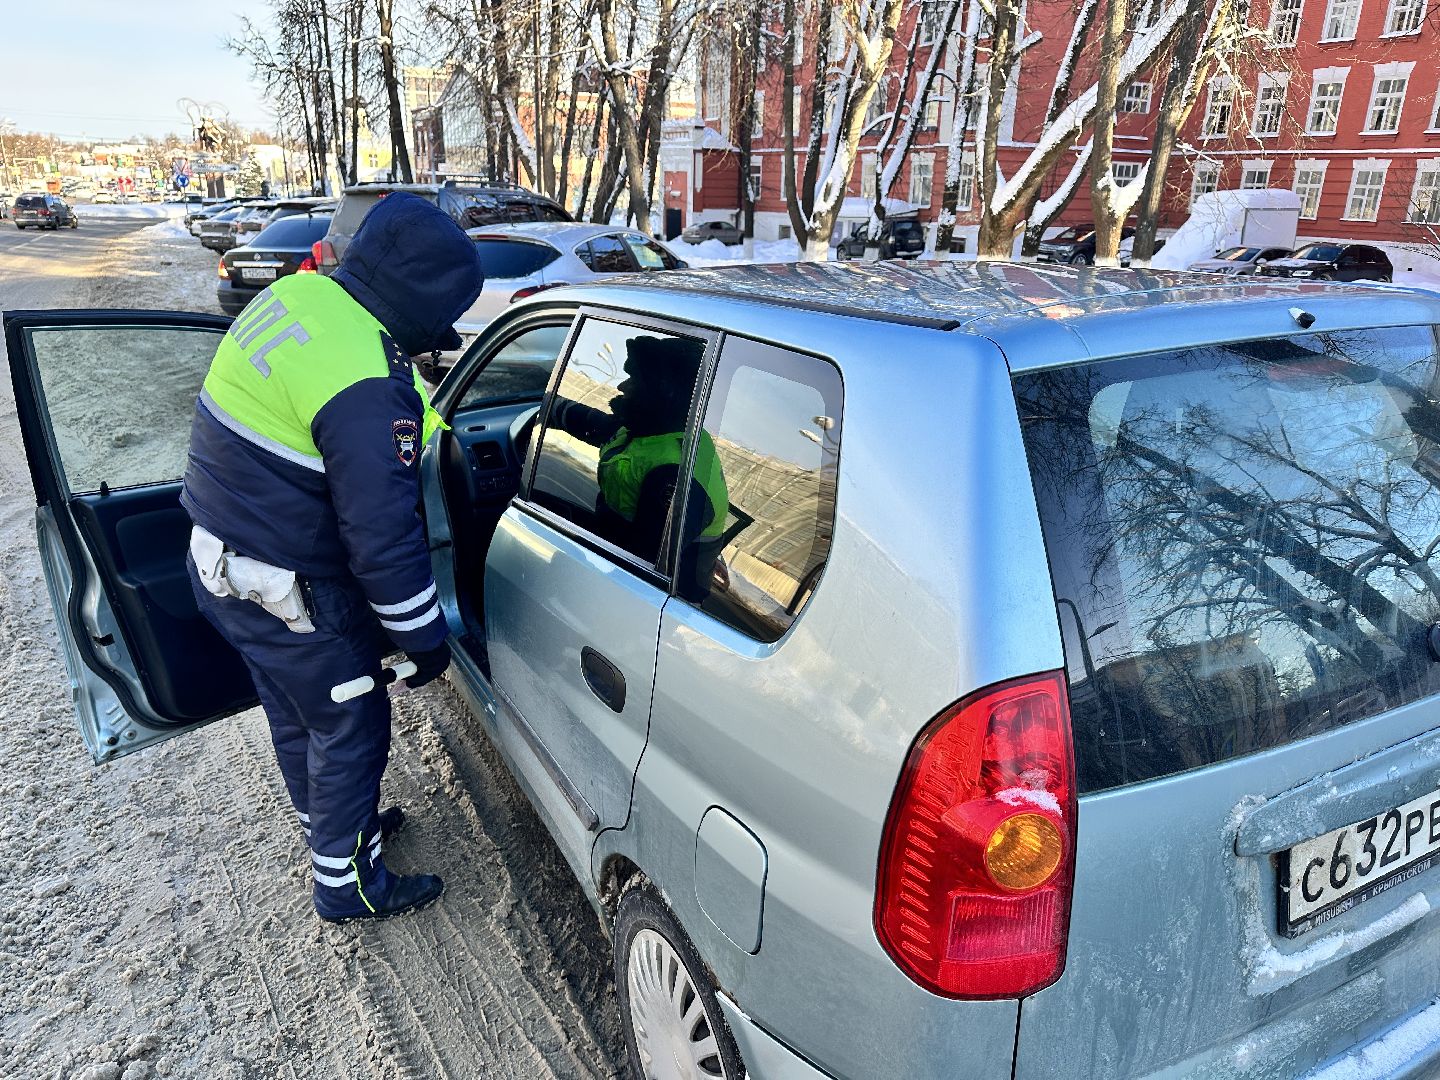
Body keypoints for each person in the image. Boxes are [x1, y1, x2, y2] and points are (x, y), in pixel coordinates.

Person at [180, 192, 484, 923]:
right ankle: (348, 886)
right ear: (422, 301)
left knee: (299, 714)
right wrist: (423, 638)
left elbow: (372, 415)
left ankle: (334, 830)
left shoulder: (303, 297)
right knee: (351, 724)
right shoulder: (368, 385)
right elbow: (383, 538)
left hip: (220, 564)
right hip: (292, 592)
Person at [547, 335, 728, 597]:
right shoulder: (658, 430)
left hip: (650, 598)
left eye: (634, 379)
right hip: (618, 543)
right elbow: (592, 423)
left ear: (659, 392)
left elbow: (637, 570)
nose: (622, 385)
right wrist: (548, 403)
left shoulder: (672, 473)